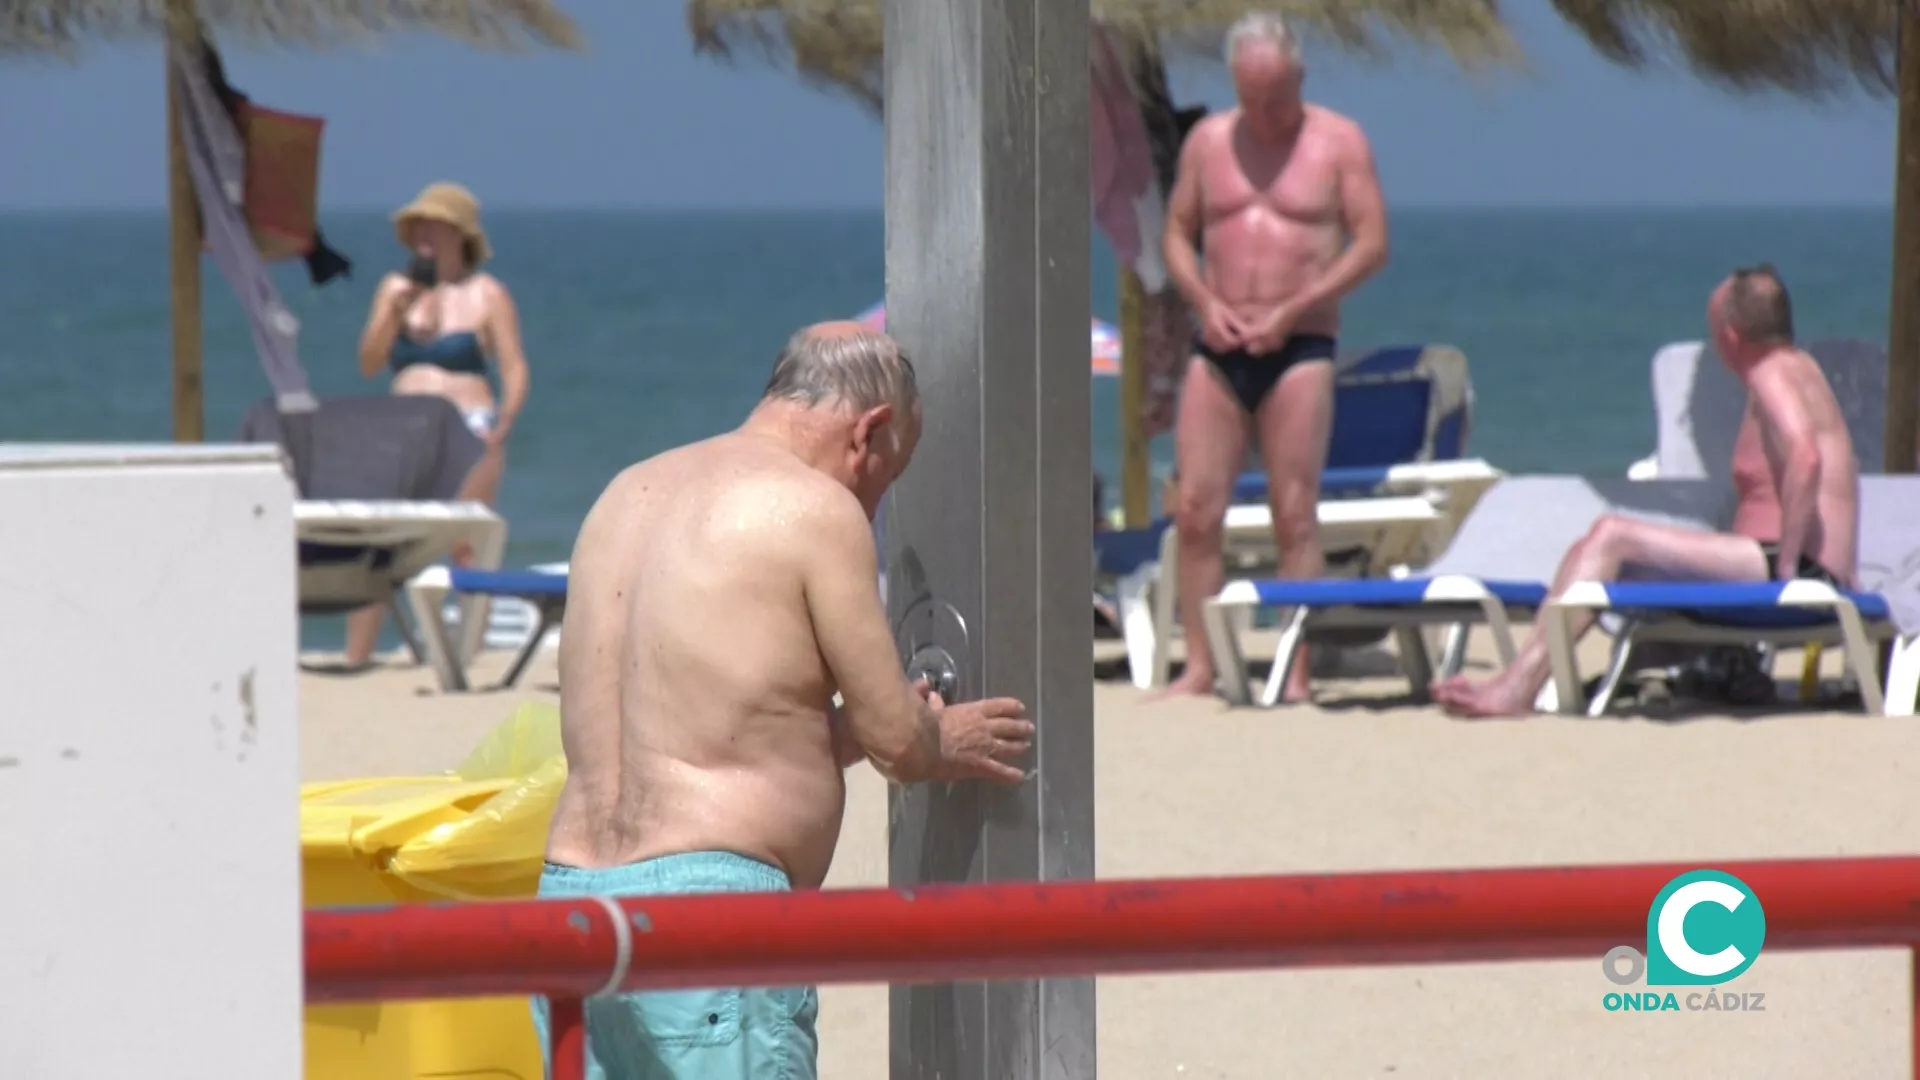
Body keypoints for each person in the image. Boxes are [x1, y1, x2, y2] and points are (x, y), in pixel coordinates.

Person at [531, 322, 1035, 1080]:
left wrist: (838, 735)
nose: (871, 504)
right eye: (885, 478)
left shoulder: (623, 495)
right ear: (872, 430)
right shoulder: (811, 508)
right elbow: (902, 745)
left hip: (569, 899)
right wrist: (944, 738)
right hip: (710, 915)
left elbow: (698, 724)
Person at [1433, 265, 1861, 718]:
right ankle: (1522, 678)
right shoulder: (1800, 369)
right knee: (1596, 547)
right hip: (1787, 565)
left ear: (1730, 336)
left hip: (1799, 573)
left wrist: (1790, 564)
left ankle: (1518, 685)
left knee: (1612, 532)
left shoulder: (1770, 374)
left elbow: (1806, 457)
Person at [1158, 12, 1389, 701]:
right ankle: (1200, 666)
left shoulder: (1338, 141)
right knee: (1196, 510)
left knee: (1295, 511)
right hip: (1218, 344)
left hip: (1301, 346)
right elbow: (1176, 232)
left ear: (1300, 78)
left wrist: (1294, 308)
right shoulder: (1207, 141)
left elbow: (1371, 243)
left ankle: (1296, 671)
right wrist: (1204, 299)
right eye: (1252, 99)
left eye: (1277, 99)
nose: (1264, 115)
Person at [346, 181, 531, 668]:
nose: (424, 234)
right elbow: (369, 361)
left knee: (466, 541)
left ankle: (466, 654)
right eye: (419, 225)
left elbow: (514, 366)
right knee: (379, 540)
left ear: (458, 233)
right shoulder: (395, 288)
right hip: (401, 426)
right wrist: (393, 312)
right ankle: (356, 657)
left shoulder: (487, 294)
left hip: (468, 423)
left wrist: (504, 421)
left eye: (434, 225)